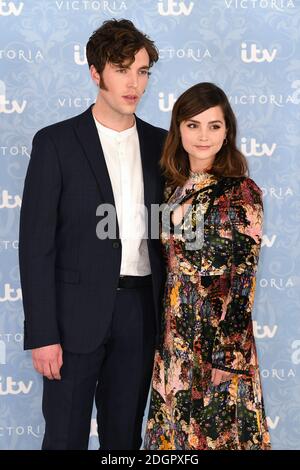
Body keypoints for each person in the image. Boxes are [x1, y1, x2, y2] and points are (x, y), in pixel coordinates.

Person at [19, 19, 167, 450]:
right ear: (95, 73)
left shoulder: (162, 145)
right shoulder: (56, 143)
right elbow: (36, 247)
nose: (133, 82)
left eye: (142, 71)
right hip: (72, 319)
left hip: (141, 313)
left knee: (123, 439)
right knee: (64, 437)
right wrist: (43, 333)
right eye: (122, 69)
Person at [144, 82, 271, 450]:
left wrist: (229, 356)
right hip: (173, 341)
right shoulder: (172, 188)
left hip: (216, 343)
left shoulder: (241, 192)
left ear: (227, 131)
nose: (203, 135)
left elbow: (243, 279)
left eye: (214, 125)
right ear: (178, 129)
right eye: (193, 124)